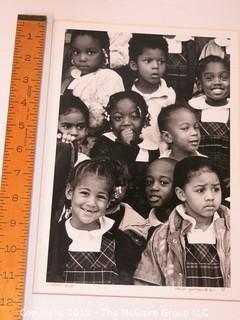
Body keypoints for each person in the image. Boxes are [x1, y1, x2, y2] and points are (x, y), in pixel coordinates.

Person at [134, 156, 230, 287]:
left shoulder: (232, 232)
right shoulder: (162, 236)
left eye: (216, 189)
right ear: (181, 194)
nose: (210, 197)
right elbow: (146, 284)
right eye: (200, 190)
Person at [47, 158, 144, 284]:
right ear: (70, 192)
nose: (91, 203)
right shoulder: (51, 238)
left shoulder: (122, 243)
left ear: (108, 202)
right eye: (85, 193)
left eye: (100, 197)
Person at [90, 91, 159, 217]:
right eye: (118, 118)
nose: (126, 122)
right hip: (112, 209)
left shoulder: (151, 149)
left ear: (145, 120)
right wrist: (125, 146)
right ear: (109, 120)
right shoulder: (104, 143)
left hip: (141, 210)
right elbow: (113, 175)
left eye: (134, 117)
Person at [61, 30, 124, 136]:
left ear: (104, 52)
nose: (82, 58)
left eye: (90, 52)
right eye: (76, 52)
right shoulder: (70, 78)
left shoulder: (108, 77)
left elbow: (101, 118)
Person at [188, 55, 230, 191]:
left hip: (229, 180)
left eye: (224, 77)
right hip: (197, 179)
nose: (217, 82)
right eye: (209, 78)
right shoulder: (192, 111)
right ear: (199, 83)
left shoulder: (235, 110)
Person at [128, 33, 176, 151]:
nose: (156, 66)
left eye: (161, 61)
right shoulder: (127, 95)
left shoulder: (169, 95)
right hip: (133, 155)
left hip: (160, 156)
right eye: (148, 61)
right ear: (134, 65)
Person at [52, 95, 90, 223]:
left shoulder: (86, 162)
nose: (74, 132)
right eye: (67, 126)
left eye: (80, 127)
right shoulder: (47, 157)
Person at [144, 158, 177, 238]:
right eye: (149, 182)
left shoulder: (191, 226)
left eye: (163, 182)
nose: (154, 187)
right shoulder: (142, 229)